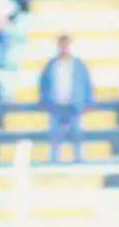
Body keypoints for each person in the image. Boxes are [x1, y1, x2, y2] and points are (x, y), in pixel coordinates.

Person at [39, 35, 92, 164]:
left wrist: (88, 101)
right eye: (61, 45)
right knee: (55, 133)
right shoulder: (51, 65)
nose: (64, 48)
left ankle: (78, 157)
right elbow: (44, 84)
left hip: (74, 104)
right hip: (56, 104)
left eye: (66, 45)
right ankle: (54, 158)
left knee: (76, 132)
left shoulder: (78, 65)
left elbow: (86, 83)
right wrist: (45, 101)